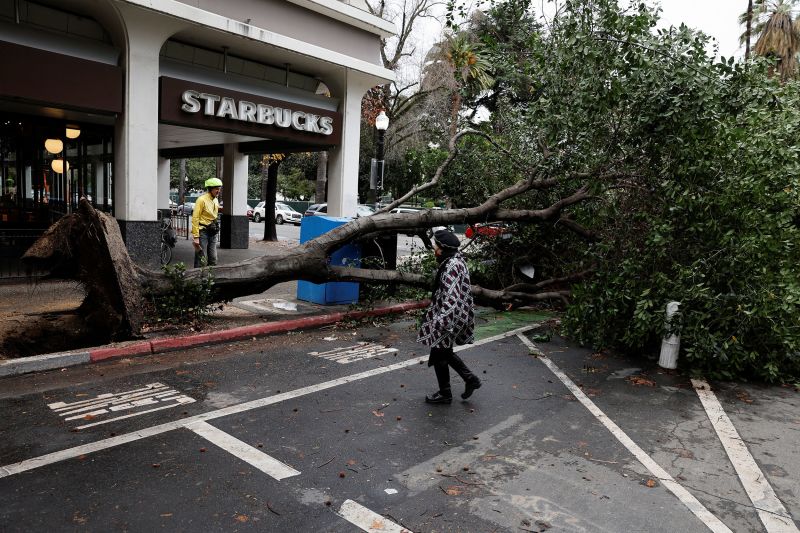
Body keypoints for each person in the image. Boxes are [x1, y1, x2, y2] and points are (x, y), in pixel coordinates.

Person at [417, 229, 481, 404]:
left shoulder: (452, 265)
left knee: (439, 351)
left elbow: (451, 297)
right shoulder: (454, 260)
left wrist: (442, 321)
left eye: (436, 246)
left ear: (443, 248)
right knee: (442, 352)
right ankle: (468, 380)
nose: (434, 249)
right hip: (453, 315)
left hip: (451, 317)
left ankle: (447, 393)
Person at [192, 178, 222, 268]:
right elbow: (195, 218)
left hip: (212, 231)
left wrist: (216, 225)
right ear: (210, 189)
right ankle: (196, 278)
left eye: (219, 188)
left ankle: (209, 279)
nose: (218, 190)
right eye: (216, 188)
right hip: (203, 232)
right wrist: (196, 237)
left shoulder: (216, 200)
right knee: (201, 258)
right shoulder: (201, 200)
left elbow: (214, 215)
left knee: (213, 258)